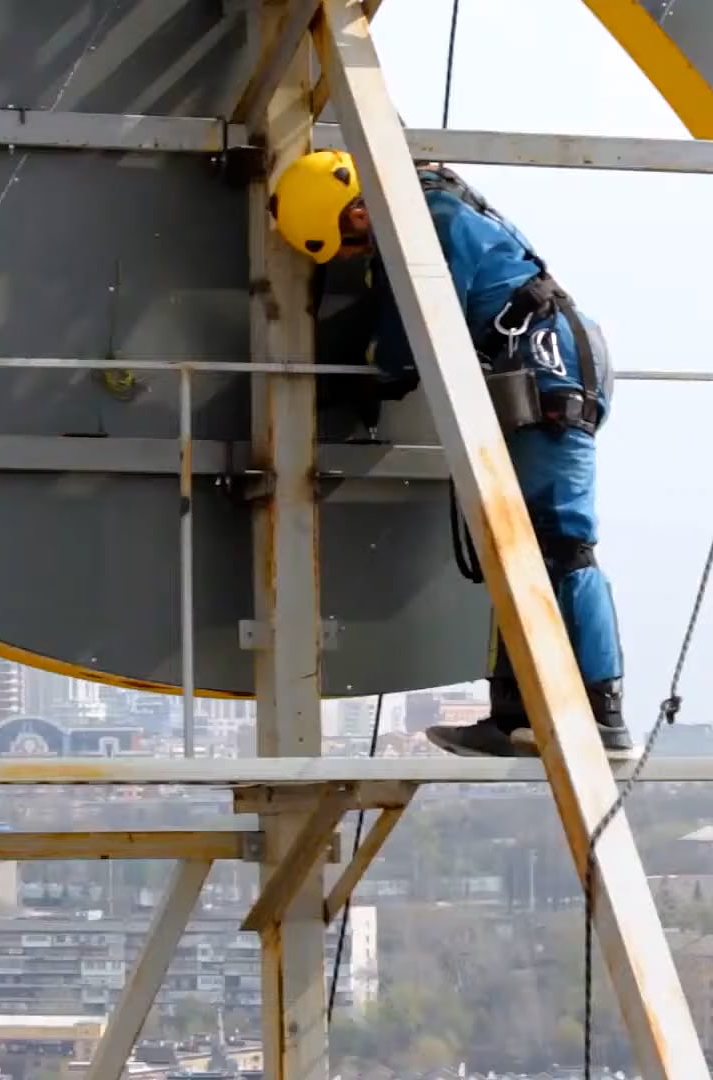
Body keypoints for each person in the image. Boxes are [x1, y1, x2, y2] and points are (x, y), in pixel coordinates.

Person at [268, 149, 634, 761]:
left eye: (349, 247)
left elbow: (403, 343)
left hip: (550, 374)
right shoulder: (429, 211)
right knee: (517, 546)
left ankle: (604, 712)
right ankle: (514, 712)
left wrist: (365, 375)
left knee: (564, 543)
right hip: (544, 367)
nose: (359, 261)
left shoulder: (427, 220)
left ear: (357, 214)